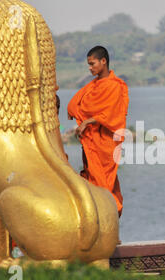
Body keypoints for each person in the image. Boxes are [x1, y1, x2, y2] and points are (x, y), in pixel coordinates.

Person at [67, 46, 129, 217]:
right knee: (92, 181)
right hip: (91, 141)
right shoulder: (92, 85)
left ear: (103, 61)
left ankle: (110, 222)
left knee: (105, 184)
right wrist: (78, 114)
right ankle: (102, 227)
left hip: (106, 144)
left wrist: (87, 121)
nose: (90, 68)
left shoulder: (115, 86)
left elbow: (111, 114)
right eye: (88, 64)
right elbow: (77, 104)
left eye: (92, 63)